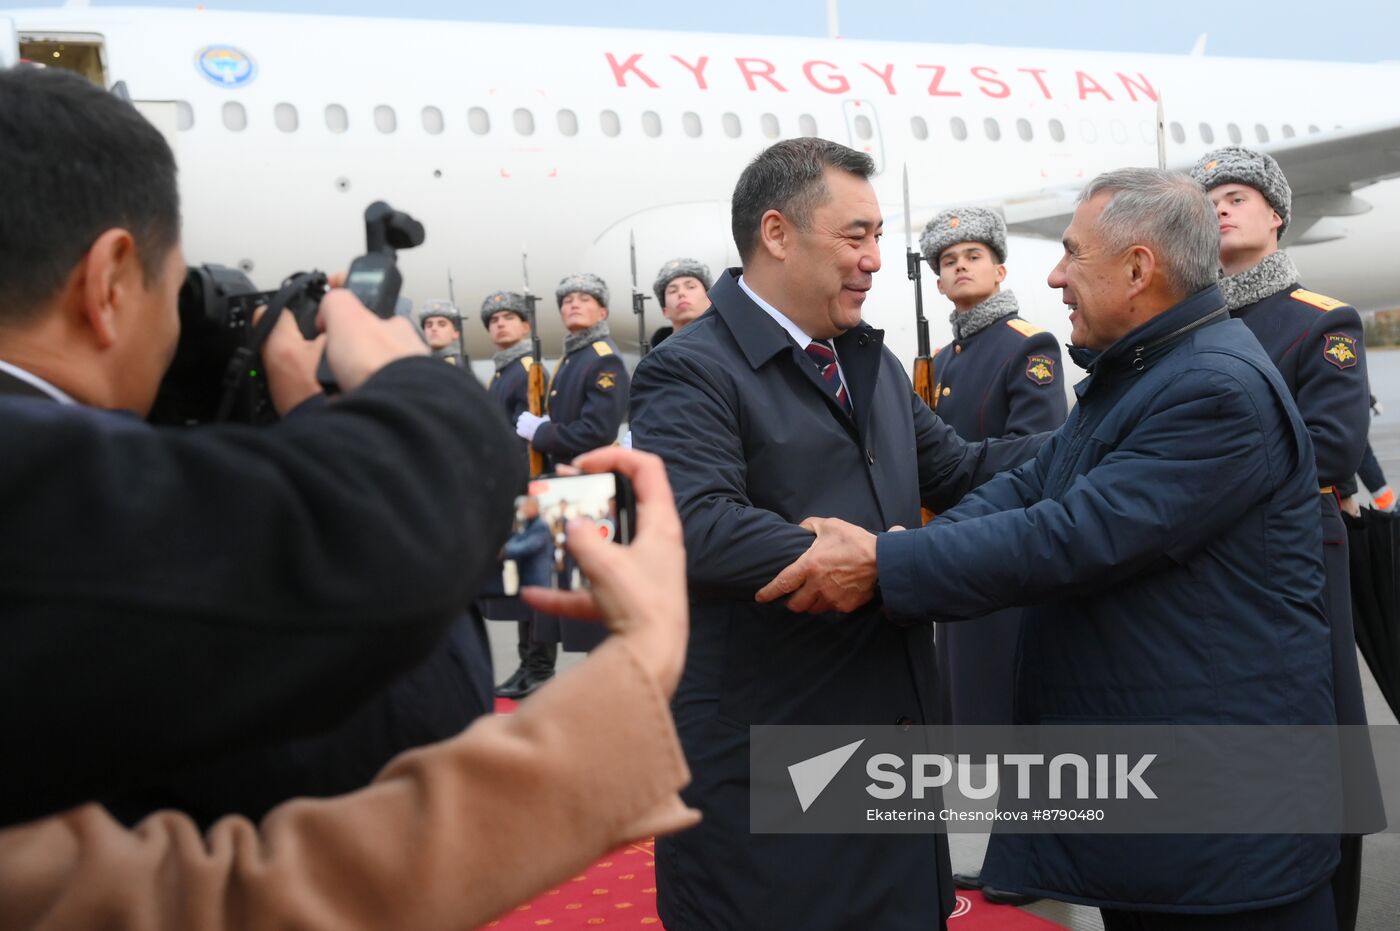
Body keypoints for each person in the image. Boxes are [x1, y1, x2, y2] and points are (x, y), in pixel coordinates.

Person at [759, 168, 1342, 929]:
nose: (1056, 275)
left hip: (1223, 810)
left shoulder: (1213, 388)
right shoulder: (1150, 368)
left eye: (1073, 255)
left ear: (1139, 269)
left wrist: (886, 564)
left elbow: (1073, 535)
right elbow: (1039, 482)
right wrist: (918, 543)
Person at [0, 64, 520, 827]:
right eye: (170, 290)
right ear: (110, 280)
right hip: (749, 724)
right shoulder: (52, 495)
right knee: (763, 808)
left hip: (769, 705)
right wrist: (393, 377)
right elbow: (401, 735)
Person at [0, 447, 702, 931]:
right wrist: (651, 642)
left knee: (807, 844)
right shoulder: (694, 365)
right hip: (771, 710)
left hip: (812, 684)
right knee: (769, 852)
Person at [629, 138, 1045, 931]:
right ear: (778, 233)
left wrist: (1104, 438)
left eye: (880, 236)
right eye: (856, 236)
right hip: (773, 757)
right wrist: (875, 564)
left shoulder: (867, 363)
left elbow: (959, 468)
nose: (877, 260)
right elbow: (699, 523)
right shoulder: (692, 367)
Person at [1192, 146, 1378, 931]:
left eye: (1237, 196)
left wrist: (1187, 477)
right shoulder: (1185, 325)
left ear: (1276, 215)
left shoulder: (1319, 321)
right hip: (1203, 569)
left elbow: (1329, 451)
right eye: (1208, 200)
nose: (1221, 208)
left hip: (1295, 561)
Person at [920, 205, 1068, 905]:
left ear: (1001, 268)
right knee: (968, 701)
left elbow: (1039, 446)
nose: (958, 267)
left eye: (972, 256)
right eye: (947, 261)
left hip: (1002, 546)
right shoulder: (942, 361)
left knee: (1003, 702)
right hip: (955, 549)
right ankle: (995, 843)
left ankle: (1028, 853)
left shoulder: (1025, 344)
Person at [519, 272, 630, 652]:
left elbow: (595, 432)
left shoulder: (603, 358)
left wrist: (542, 434)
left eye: (584, 299)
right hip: (568, 486)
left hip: (589, 487)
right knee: (570, 587)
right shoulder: (574, 357)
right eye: (567, 301)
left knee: (590, 593)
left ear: (602, 311)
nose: (573, 305)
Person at [477, 289, 559, 696]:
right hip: (508, 487)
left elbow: (527, 439)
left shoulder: (528, 367)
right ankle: (527, 662)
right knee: (518, 584)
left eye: (508, 318)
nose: (499, 325)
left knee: (533, 579)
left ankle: (539, 665)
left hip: (527, 488)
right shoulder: (501, 370)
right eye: (493, 321)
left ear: (526, 326)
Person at [493, 494, 558, 698]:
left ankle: (540, 675)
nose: (521, 508)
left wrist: (500, 550)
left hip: (541, 587)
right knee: (526, 632)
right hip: (528, 587)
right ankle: (526, 671)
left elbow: (524, 547)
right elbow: (516, 540)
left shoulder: (540, 526)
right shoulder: (527, 525)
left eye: (524, 505)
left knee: (538, 634)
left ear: (535, 506)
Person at [650, 257, 713, 347]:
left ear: (709, 301)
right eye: (672, 291)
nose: (681, 293)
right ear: (665, 311)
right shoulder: (656, 358)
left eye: (691, 286)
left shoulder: (732, 345)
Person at [418, 299, 467, 366]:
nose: (434, 328)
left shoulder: (460, 367)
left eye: (442, 325)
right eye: (429, 325)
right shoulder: (417, 365)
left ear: (456, 333)